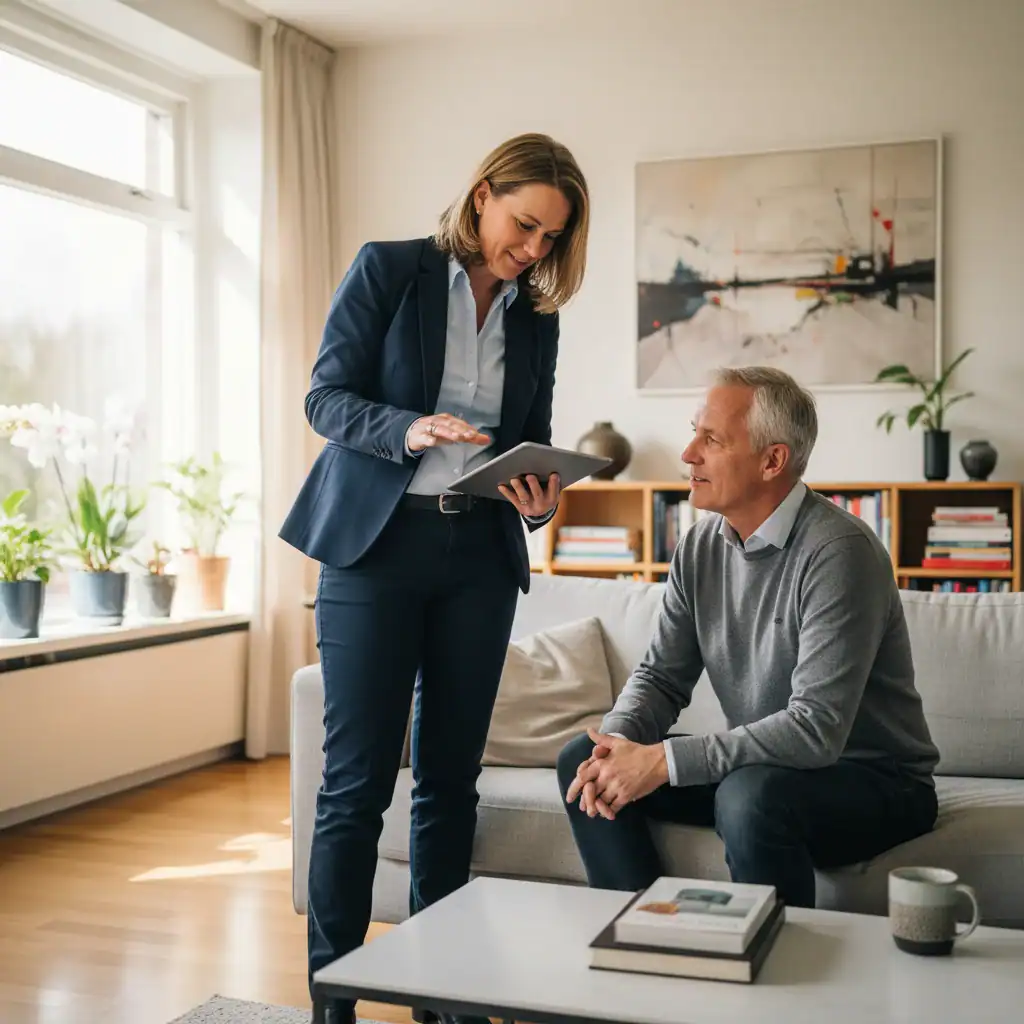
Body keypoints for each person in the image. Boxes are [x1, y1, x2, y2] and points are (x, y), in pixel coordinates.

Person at [280, 133, 590, 1024]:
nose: (532, 251)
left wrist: (537, 499)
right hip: (375, 551)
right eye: (524, 226)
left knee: (451, 782)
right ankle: (333, 1003)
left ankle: (442, 998)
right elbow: (324, 397)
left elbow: (528, 438)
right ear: (484, 194)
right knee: (355, 787)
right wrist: (409, 431)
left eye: (550, 241)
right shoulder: (391, 270)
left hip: (477, 561)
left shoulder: (537, 316)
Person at [557, 365, 941, 912]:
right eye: (695, 432)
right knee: (583, 757)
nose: (688, 453)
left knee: (749, 796)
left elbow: (815, 730)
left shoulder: (839, 552)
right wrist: (615, 748)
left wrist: (663, 761)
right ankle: (643, 943)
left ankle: (772, 980)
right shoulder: (699, 546)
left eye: (711, 439)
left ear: (772, 461)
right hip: (770, 769)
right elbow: (661, 678)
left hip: (876, 781)